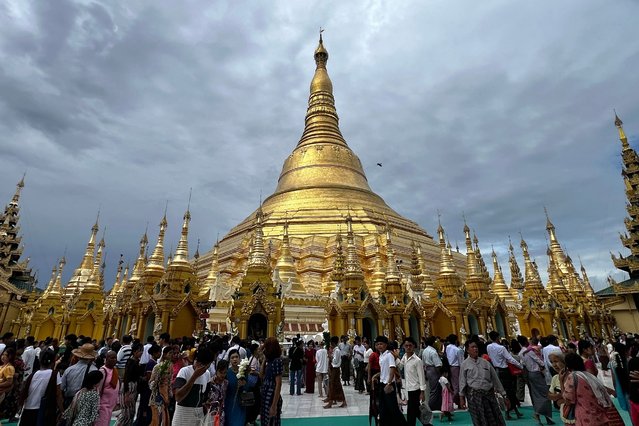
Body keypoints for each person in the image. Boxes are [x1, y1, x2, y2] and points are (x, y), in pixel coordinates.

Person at [561, 352, 624, 426]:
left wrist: (561, 381)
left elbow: (568, 400)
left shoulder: (573, 376)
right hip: (600, 416)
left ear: (568, 366)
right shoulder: (589, 376)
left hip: (586, 418)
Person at [459, 340, 507, 426]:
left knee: (495, 418)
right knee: (479, 420)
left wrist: (504, 395)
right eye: (472, 347)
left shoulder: (485, 362)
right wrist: (462, 398)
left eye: (476, 347)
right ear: (467, 350)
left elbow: (496, 379)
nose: (475, 349)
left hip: (489, 395)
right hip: (474, 397)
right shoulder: (464, 364)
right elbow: (462, 382)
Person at [18, 349, 63, 426]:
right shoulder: (54, 374)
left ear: (39, 360)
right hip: (43, 410)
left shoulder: (33, 374)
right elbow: (58, 394)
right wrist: (62, 410)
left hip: (28, 408)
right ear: (53, 361)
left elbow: (24, 390)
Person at [172, 346, 214, 425]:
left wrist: (207, 402)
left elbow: (205, 396)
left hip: (198, 415)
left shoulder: (207, 374)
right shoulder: (184, 371)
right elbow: (178, 397)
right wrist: (194, 376)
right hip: (183, 415)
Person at [486, 331, 523, 419]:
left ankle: (514, 410)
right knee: (509, 391)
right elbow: (510, 359)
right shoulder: (501, 348)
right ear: (497, 338)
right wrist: (520, 366)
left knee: (503, 391)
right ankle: (508, 411)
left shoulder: (488, 347)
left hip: (496, 370)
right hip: (504, 370)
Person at [518, 335, 554, 425]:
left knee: (536, 396)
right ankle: (538, 414)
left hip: (530, 374)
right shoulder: (530, 352)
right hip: (537, 374)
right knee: (546, 395)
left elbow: (522, 364)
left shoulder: (520, 353)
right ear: (525, 341)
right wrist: (544, 366)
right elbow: (539, 361)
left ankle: (544, 418)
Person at [376, 335, 406, 425]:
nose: (379, 346)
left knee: (393, 408)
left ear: (385, 345)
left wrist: (389, 383)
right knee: (382, 408)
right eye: (377, 344)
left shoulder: (389, 355)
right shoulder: (381, 356)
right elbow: (384, 370)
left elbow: (392, 368)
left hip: (388, 384)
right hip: (382, 383)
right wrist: (376, 376)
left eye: (381, 344)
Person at [398, 337, 427, 426]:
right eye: (406, 345)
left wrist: (422, 392)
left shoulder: (417, 361)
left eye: (410, 345)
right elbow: (400, 366)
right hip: (408, 388)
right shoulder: (404, 357)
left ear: (414, 346)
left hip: (415, 389)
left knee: (411, 412)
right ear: (403, 346)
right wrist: (395, 357)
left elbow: (421, 377)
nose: (408, 347)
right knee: (415, 412)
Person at [225, 349, 257, 426]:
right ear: (229, 360)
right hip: (229, 403)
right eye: (232, 358)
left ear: (240, 358)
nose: (235, 359)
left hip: (241, 404)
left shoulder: (244, 372)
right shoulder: (227, 372)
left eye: (236, 357)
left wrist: (244, 385)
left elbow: (248, 388)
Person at [60, 343, 98, 408]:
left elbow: (62, 387)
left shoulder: (69, 370)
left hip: (69, 401)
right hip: (85, 403)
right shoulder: (94, 370)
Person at [116, 341, 143, 425]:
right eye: (139, 351)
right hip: (128, 387)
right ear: (134, 352)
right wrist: (126, 393)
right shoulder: (130, 362)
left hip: (134, 388)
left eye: (142, 350)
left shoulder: (137, 361)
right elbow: (126, 377)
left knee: (131, 412)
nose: (141, 353)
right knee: (126, 414)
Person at [260, 337, 283, 426]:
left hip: (272, 394)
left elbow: (278, 384)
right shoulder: (269, 361)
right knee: (265, 420)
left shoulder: (277, 361)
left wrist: (274, 405)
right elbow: (261, 375)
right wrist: (264, 359)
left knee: (272, 421)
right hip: (265, 393)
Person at [136, 344, 161, 426]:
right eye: (158, 352)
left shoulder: (154, 363)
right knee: (145, 410)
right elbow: (149, 379)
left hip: (150, 391)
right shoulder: (151, 364)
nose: (160, 354)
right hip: (147, 391)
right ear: (154, 353)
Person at [149, 346, 173, 426]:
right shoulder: (158, 367)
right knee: (156, 419)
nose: (172, 355)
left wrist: (169, 394)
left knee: (164, 419)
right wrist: (157, 381)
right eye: (170, 353)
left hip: (165, 395)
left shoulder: (170, 366)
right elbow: (150, 383)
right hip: (157, 395)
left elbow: (169, 382)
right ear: (165, 354)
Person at [96, 350, 120, 426]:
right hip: (102, 405)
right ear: (106, 359)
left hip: (110, 406)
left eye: (115, 358)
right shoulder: (103, 371)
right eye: (112, 358)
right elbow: (98, 389)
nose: (114, 360)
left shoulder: (114, 370)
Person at [324, 335, 347, 409]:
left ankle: (331, 401)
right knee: (335, 385)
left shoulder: (337, 351)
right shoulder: (335, 350)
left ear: (333, 343)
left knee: (333, 385)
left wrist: (330, 357)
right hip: (333, 369)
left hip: (335, 369)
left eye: (331, 343)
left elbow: (335, 361)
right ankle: (341, 401)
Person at [422, 336, 443, 411]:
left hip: (428, 370)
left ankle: (438, 405)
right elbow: (437, 365)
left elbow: (423, 363)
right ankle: (431, 405)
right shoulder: (433, 352)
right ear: (433, 343)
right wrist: (440, 375)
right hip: (434, 370)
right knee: (435, 389)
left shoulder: (425, 351)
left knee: (433, 388)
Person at [207, 359, 228, 426]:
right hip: (210, 412)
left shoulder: (226, 383)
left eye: (224, 373)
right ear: (217, 371)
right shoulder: (210, 382)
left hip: (221, 413)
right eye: (221, 372)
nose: (222, 375)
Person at [445, 334, 463, 406]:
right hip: (456, 367)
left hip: (449, 366)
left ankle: (457, 401)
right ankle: (454, 400)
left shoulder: (448, 347)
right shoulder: (458, 349)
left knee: (453, 384)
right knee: (457, 385)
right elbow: (461, 361)